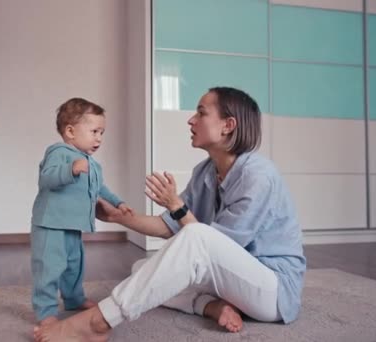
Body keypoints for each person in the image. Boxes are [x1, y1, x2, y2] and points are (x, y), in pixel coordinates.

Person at [34, 87, 306, 341]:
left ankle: (98, 322)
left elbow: (209, 244)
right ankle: (209, 306)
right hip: (233, 282)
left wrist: (177, 206)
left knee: (193, 240)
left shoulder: (258, 175)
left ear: (228, 125)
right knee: (143, 269)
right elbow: (169, 227)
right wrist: (118, 216)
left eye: (201, 112)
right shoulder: (205, 172)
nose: (191, 120)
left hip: (273, 292)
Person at [30, 97, 134, 327]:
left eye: (102, 132)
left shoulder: (92, 163)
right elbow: (46, 178)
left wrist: (118, 203)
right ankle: (45, 311)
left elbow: (100, 188)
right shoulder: (59, 152)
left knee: (74, 265)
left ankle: (74, 299)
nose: (99, 138)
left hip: (73, 225)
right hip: (50, 224)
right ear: (70, 131)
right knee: (49, 268)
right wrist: (71, 169)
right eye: (94, 131)